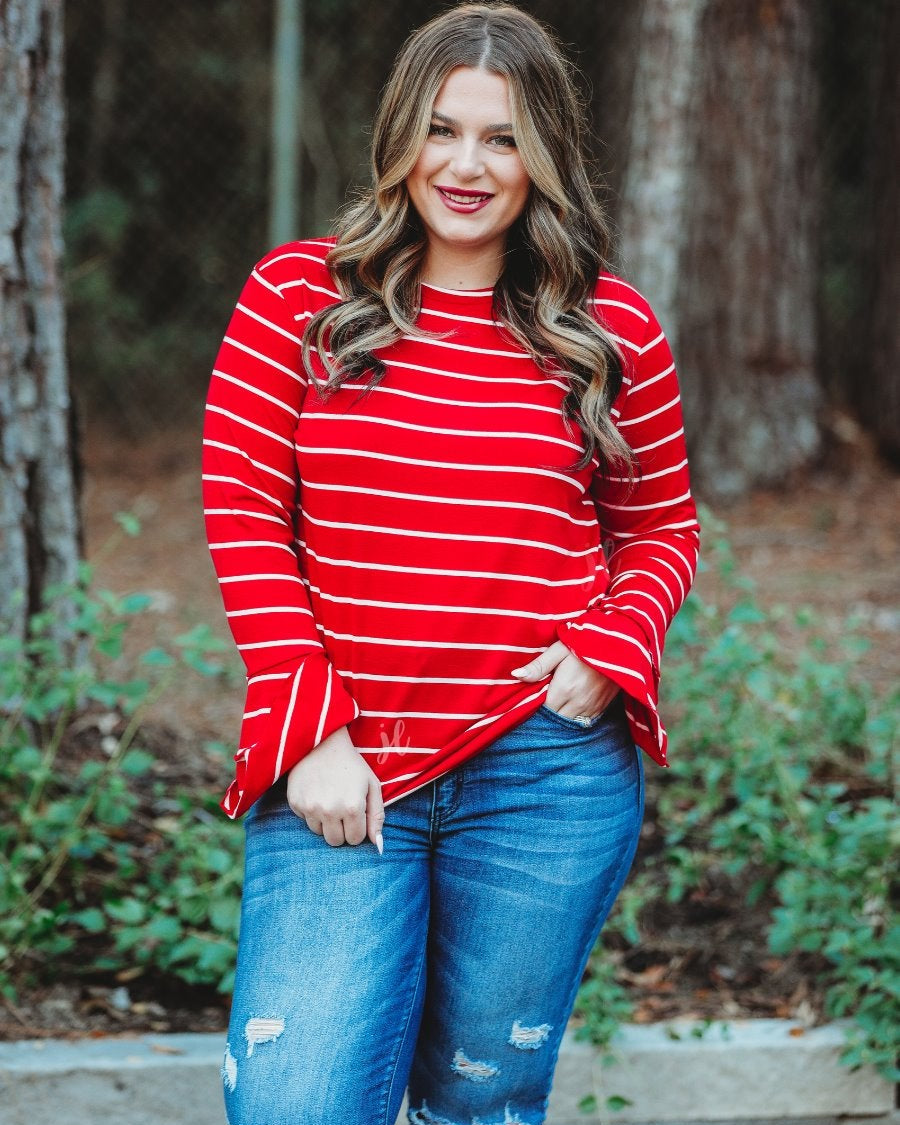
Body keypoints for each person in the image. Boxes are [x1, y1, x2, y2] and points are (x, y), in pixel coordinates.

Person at [201, 4, 700, 1122]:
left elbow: (662, 525)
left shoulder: (608, 327)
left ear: (546, 157)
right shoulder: (300, 301)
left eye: (503, 136)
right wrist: (310, 727)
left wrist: (611, 650)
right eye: (441, 129)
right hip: (343, 771)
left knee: (482, 1104)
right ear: (398, 139)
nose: (466, 164)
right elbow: (243, 514)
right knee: (298, 1102)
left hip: (544, 774)